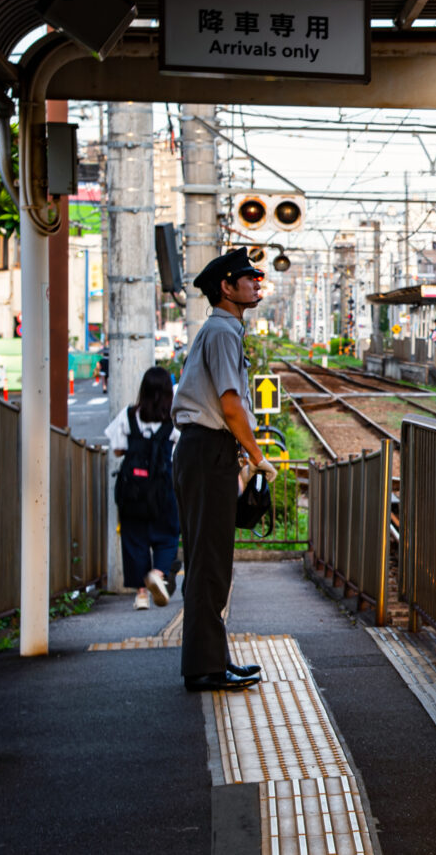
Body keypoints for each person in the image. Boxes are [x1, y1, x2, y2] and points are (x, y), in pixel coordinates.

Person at [171, 247, 278, 693]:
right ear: (226, 288)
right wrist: (257, 456)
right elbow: (231, 404)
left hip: (205, 452)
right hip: (207, 450)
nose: (256, 283)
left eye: (256, 277)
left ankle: (210, 660)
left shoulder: (222, 330)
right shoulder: (222, 332)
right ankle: (204, 668)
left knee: (206, 560)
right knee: (210, 563)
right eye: (246, 278)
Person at [105, 366, 181, 610]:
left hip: (133, 491)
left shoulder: (128, 415)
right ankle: (157, 575)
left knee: (134, 539)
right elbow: (179, 453)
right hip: (164, 490)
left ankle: (140, 594)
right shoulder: (174, 420)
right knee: (168, 536)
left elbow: (117, 449)